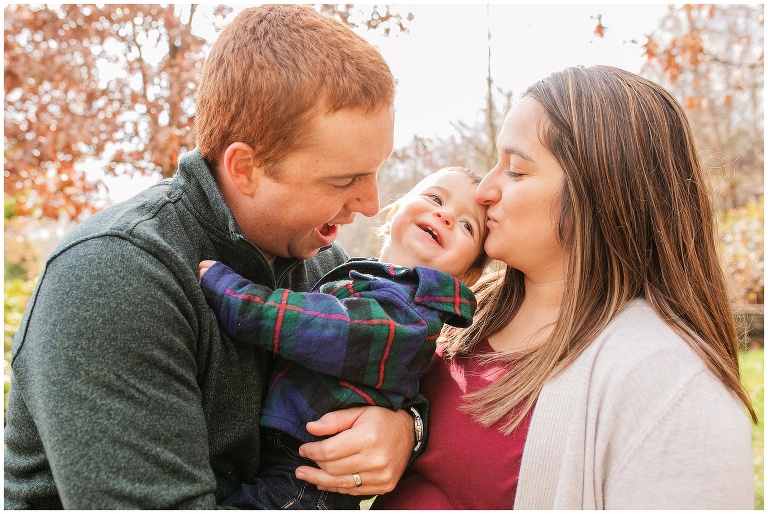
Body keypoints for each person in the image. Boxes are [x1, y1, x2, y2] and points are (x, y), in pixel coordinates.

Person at [4, 5, 421, 509]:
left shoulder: (321, 264)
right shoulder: (115, 278)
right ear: (245, 168)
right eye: (343, 180)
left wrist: (407, 430)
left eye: (375, 171)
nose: (371, 204)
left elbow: (398, 362)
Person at [372, 65, 756, 510]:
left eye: (515, 171)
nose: (485, 190)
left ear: (598, 193)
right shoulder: (459, 314)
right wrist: (407, 428)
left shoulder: (670, 386)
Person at [198, 166, 489, 509]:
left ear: (468, 276)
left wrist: (237, 297)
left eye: (468, 225)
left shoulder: (410, 317)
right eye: (435, 198)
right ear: (395, 212)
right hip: (287, 460)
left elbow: (322, 327)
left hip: (309, 480)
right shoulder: (360, 275)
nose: (445, 215)